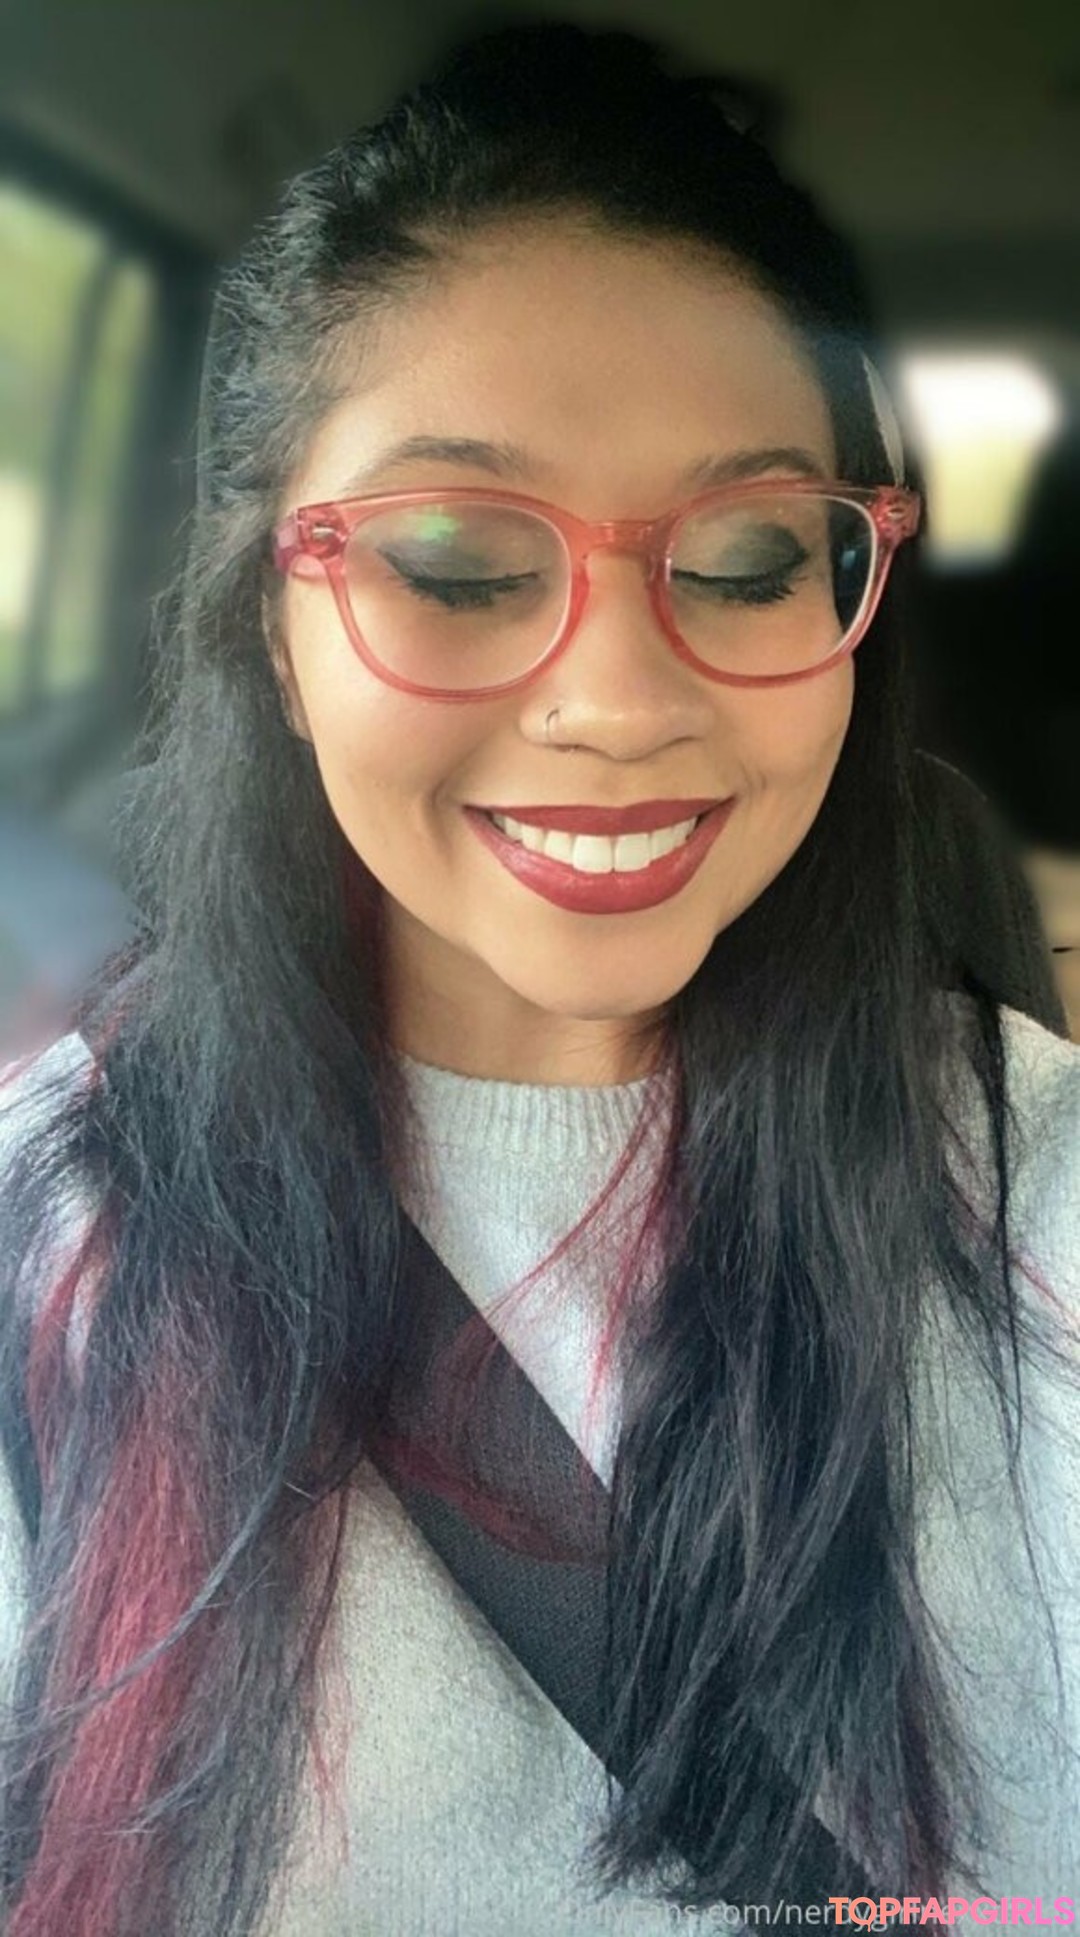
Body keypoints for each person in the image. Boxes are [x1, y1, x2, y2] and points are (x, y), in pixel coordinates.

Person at [0, 21, 1077, 1936]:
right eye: (454, 562)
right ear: (273, 626)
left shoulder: (1039, 1190)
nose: (618, 703)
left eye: (748, 559)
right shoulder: (50, 1239)